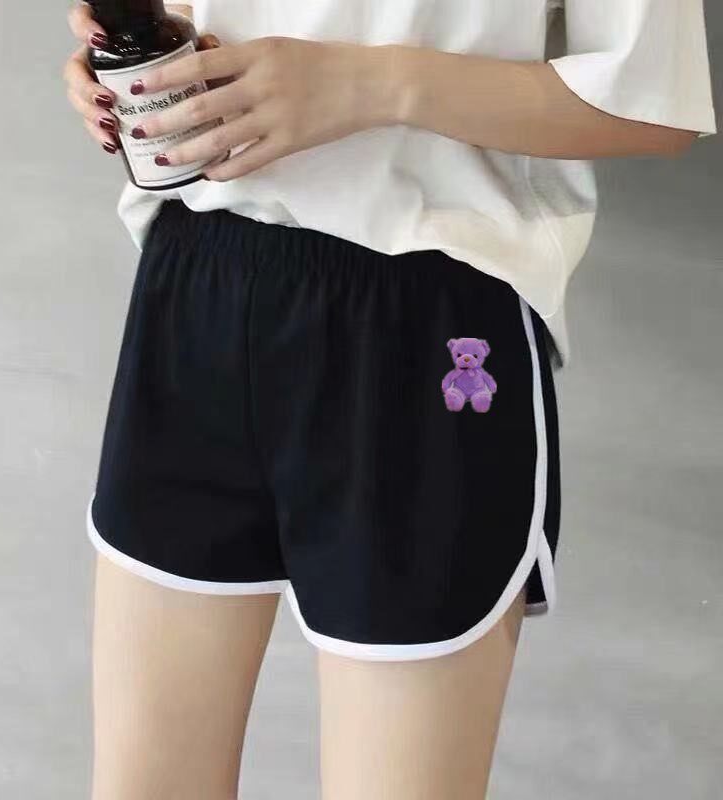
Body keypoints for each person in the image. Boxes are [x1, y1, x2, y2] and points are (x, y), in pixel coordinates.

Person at [63, 1, 717, 798]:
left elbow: (649, 103)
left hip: (428, 320)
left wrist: (373, 84)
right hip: (197, 280)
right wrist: (133, 57)